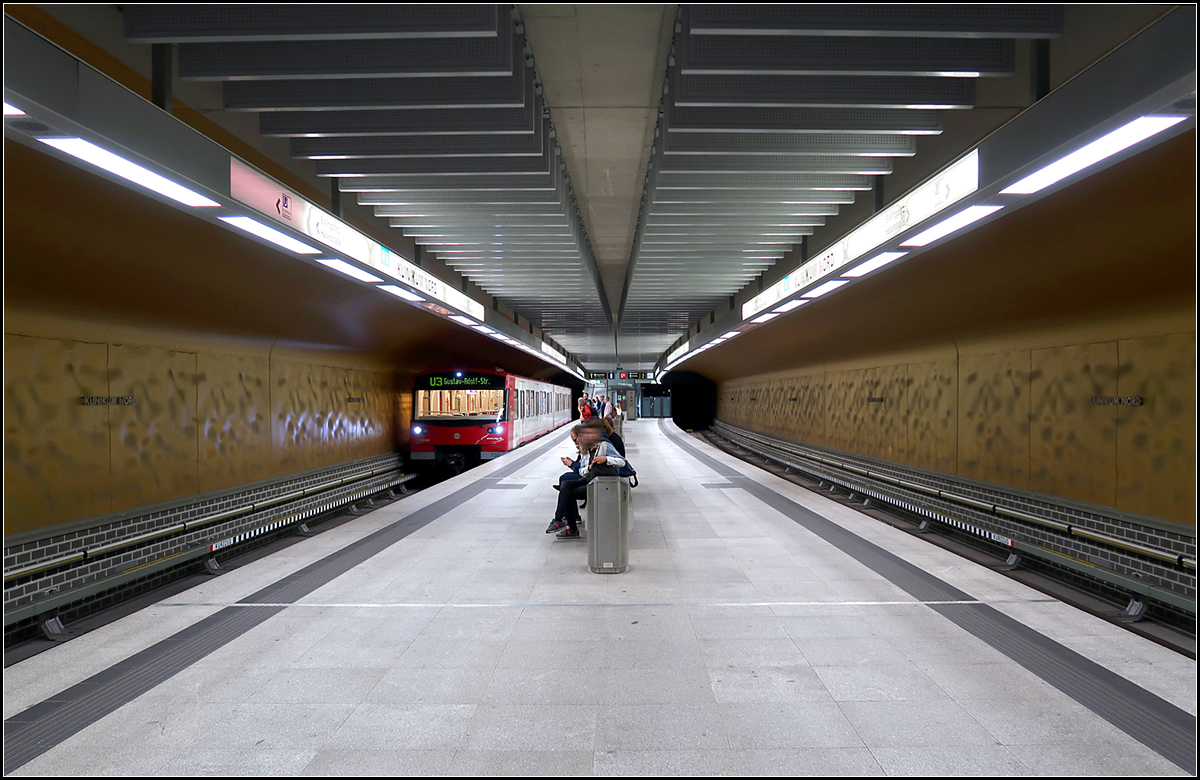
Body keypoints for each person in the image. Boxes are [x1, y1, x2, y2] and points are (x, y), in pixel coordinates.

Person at [546, 425, 626, 538]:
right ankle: (559, 520)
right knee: (565, 485)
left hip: (603, 482)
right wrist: (589, 468)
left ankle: (567, 525)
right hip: (590, 479)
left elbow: (622, 462)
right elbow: (582, 471)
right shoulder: (585, 451)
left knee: (567, 490)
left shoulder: (604, 446)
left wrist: (606, 459)